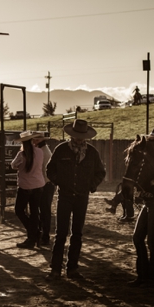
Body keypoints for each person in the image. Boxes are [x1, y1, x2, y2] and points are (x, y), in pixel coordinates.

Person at [45, 119, 106, 280]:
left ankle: (72, 268)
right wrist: (59, 182)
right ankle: (55, 269)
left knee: (77, 233)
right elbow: (50, 169)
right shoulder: (61, 150)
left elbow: (100, 172)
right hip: (64, 196)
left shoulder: (92, 153)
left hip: (82, 197)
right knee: (61, 233)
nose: (79, 139)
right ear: (72, 135)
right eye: (77, 135)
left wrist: (90, 186)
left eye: (81, 136)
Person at [11, 131, 45, 249]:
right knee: (35, 212)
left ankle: (33, 234)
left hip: (25, 186)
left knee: (19, 210)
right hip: (38, 184)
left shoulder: (22, 154)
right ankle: (35, 235)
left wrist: (20, 167)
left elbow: (13, 165)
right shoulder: (40, 152)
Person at [33, 132, 55, 246]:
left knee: (44, 211)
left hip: (45, 184)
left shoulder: (42, 152)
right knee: (44, 210)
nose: (33, 141)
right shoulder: (43, 150)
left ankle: (44, 236)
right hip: (45, 183)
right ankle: (43, 235)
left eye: (35, 139)